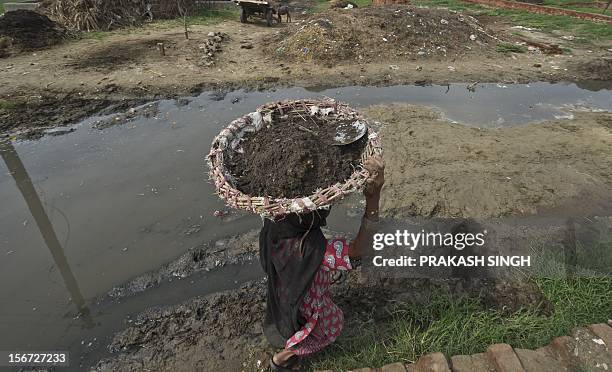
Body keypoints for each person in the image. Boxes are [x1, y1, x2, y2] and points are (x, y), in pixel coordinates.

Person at [259, 155, 385, 371]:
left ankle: (287, 341)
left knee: (290, 315)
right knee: (331, 326)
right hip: (306, 302)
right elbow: (360, 250)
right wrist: (373, 198)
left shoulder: (271, 227)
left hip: (283, 292)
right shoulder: (315, 250)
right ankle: (283, 358)